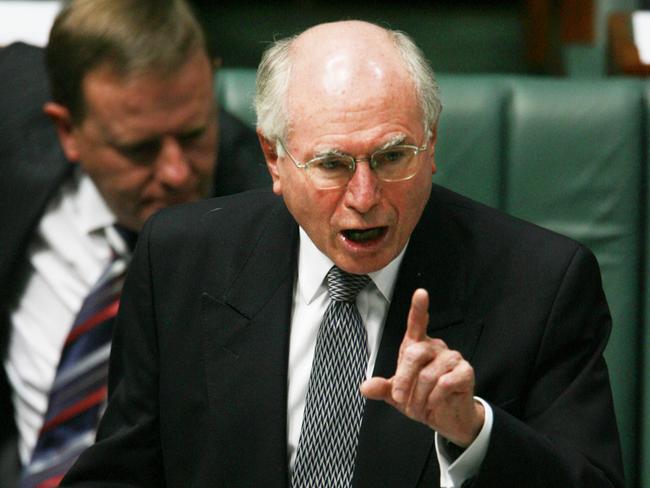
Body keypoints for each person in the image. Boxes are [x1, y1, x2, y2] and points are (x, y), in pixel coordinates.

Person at [60, 20, 624, 488]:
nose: (364, 197)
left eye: (392, 156)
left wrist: (474, 431)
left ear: (432, 146)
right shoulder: (181, 260)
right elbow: (120, 473)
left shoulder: (542, 283)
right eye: (331, 164)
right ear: (275, 159)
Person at [0, 0, 269, 485]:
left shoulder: (271, 212)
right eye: (139, 148)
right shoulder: (10, 114)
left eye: (193, 133)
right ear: (67, 130)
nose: (177, 171)